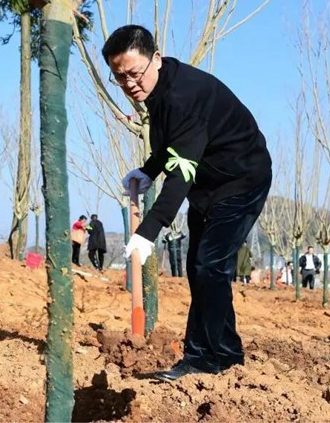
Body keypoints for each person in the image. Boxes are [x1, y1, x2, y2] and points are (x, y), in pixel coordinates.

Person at [106, 25, 272, 381]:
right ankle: (215, 353)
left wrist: (148, 231)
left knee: (209, 266)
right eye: (119, 77)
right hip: (209, 184)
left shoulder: (184, 96)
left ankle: (214, 359)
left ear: (156, 59)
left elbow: (181, 173)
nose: (130, 83)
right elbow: (174, 143)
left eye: (134, 73)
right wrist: (149, 170)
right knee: (202, 267)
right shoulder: (160, 92)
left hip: (241, 179)